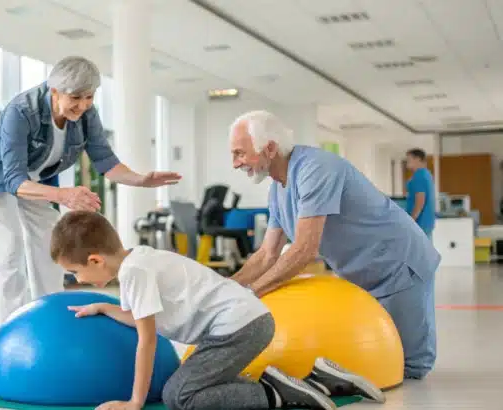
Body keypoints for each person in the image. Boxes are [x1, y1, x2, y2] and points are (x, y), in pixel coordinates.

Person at [49, 210, 385, 410]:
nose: (78, 280)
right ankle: (320, 380)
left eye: (76, 273)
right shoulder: (140, 259)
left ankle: (275, 393)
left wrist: (134, 402)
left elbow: (147, 339)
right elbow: (141, 318)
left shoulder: (134, 274)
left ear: (95, 260)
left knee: (179, 396)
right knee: (193, 384)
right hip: (242, 323)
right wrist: (104, 309)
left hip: (237, 329)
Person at [0, 55, 181, 323]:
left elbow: (104, 160)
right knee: (8, 249)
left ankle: (49, 315)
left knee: (48, 242)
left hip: (35, 178)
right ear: (54, 91)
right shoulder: (20, 111)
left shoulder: (86, 113)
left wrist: (141, 179)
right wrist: (64, 195)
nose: (84, 105)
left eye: (89, 97)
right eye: (76, 98)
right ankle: (12, 325)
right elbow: (14, 180)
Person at [228, 110, 441, 380]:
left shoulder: (315, 169)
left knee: (408, 368)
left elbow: (304, 249)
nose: (235, 163)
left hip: (399, 264)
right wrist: (226, 289)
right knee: (373, 361)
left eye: (240, 153)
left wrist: (251, 293)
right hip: (362, 274)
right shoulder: (277, 189)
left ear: (269, 148)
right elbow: (267, 254)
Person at [405, 148, 436, 238]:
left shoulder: (419, 175)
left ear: (417, 159)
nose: (407, 161)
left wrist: (411, 220)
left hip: (419, 223)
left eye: (409, 159)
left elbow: (420, 201)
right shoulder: (427, 174)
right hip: (426, 223)